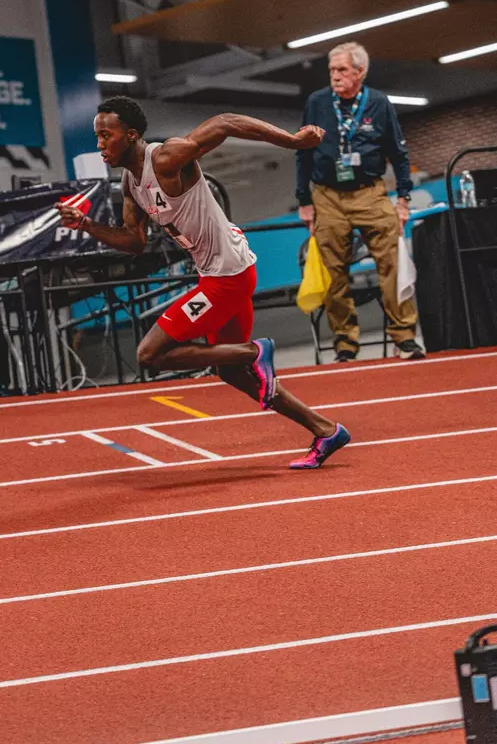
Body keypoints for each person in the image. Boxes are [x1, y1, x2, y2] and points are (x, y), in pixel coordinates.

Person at [56, 96, 351, 470]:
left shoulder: (165, 159)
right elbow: (134, 242)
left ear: (130, 136)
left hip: (227, 277)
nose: (99, 144)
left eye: (105, 136)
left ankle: (254, 351)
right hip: (219, 273)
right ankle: (326, 430)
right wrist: (83, 224)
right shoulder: (131, 181)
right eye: (97, 136)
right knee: (230, 370)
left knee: (149, 354)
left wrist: (293, 143)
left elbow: (225, 121)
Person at [296, 41, 424, 362]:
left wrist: (404, 198)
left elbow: (398, 152)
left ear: (360, 72)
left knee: (392, 259)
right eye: (332, 70)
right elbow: (304, 152)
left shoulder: (379, 103)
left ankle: (404, 337)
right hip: (326, 196)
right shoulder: (317, 102)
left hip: (370, 192)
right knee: (333, 271)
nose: (335, 76)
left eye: (342, 70)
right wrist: (304, 200)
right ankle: (345, 343)